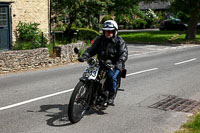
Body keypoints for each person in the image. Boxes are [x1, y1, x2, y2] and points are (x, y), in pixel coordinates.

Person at [78, 20, 128, 105]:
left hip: (115, 64)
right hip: (102, 62)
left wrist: (119, 63)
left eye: (110, 31)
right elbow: (92, 49)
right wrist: (85, 56)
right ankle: (87, 94)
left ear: (114, 31)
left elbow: (124, 53)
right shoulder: (100, 39)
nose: (108, 33)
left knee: (111, 76)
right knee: (91, 75)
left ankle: (111, 96)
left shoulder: (120, 41)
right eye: (106, 31)